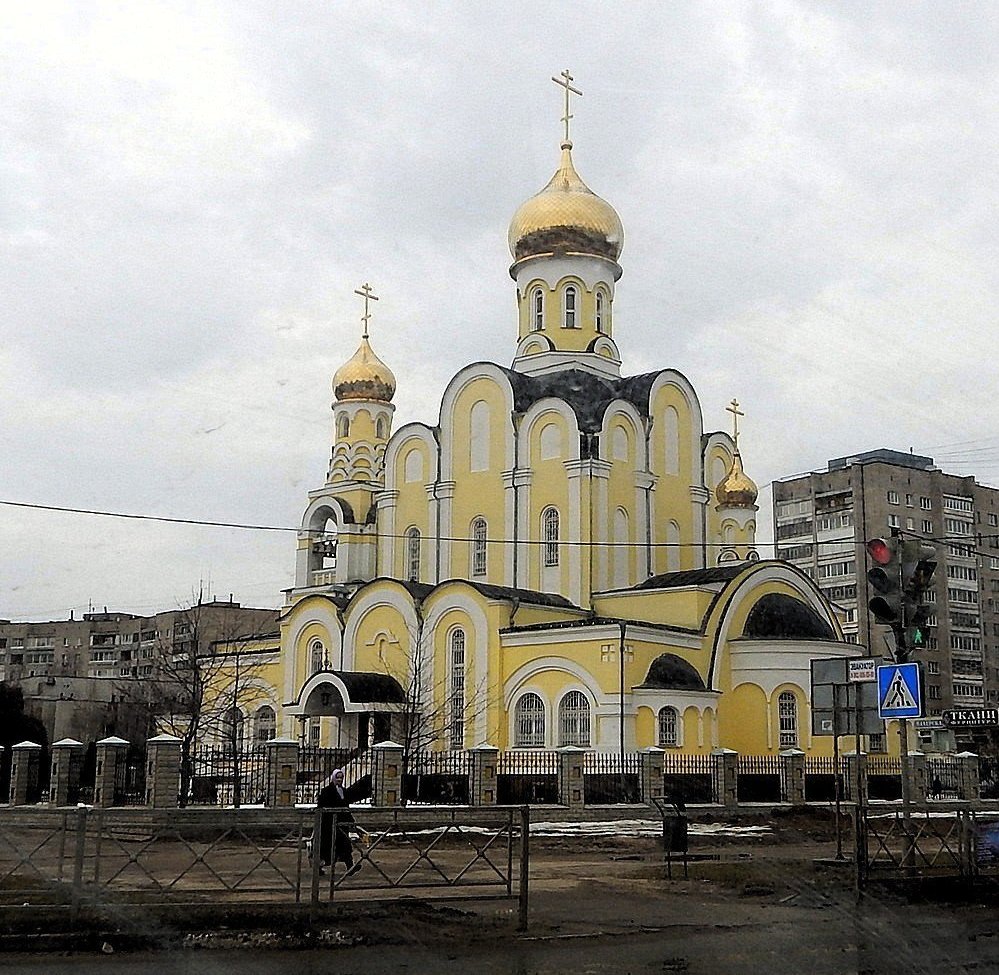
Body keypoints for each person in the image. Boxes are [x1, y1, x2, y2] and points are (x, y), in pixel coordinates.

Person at [315, 768, 364, 877]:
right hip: (329, 825)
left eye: (341, 777)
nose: (339, 779)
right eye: (337, 777)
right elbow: (321, 807)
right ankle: (319, 867)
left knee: (345, 845)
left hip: (341, 824)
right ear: (333, 778)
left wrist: (351, 821)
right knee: (328, 847)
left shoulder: (344, 791)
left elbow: (346, 807)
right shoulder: (326, 791)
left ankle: (350, 867)